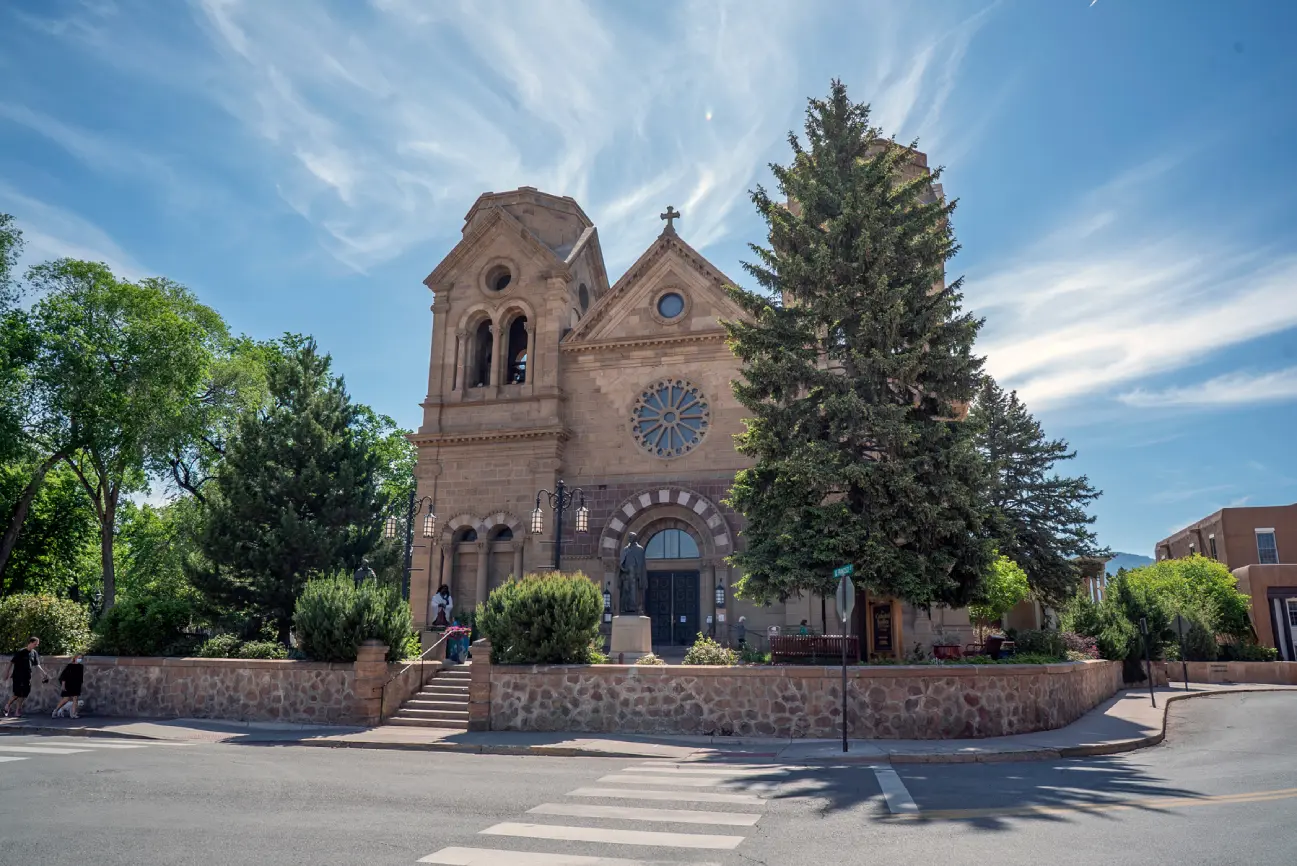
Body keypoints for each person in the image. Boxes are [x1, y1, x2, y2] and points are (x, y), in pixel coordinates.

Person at [4, 637, 50, 718]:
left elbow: (37, 664)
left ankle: (17, 711)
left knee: (24, 694)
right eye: (35, 644)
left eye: (37, 644)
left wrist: (44, 673)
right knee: (17, 693)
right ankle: (8, 705)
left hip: (27, 676)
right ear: (31, 643)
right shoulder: (21, 652)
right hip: (18, 676)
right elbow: (11, 662)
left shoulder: (34, 653)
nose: (36, 645)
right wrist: (7, 673)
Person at [53, 654, 85, 719]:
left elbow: (80, 677)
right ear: (75, 658)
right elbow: (64, 676)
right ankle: (55, 710)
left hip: (76, 684)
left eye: (81, 658)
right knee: (66, 699)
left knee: (75, 698)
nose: (80, 659)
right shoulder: (69, 666)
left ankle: (73, 714)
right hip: (68, 684)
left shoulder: (81, 666)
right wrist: (63, 685)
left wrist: (80, 684)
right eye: (79, 658)